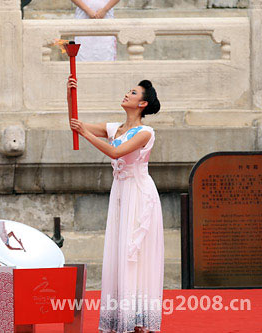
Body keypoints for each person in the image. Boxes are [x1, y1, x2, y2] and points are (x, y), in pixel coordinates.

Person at [67, 77, 164, 333]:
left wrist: (86, 134)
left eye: (132, 93)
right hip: (121, 192)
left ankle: (138, 319)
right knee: (119, 252)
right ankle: (123, 318)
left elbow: (115, 153)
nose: (126, 94)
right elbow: (76, 125)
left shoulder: (145, 132)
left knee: (136, 254)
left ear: (142, 103)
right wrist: (70, 95)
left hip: (140, 195)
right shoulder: (115, 128)